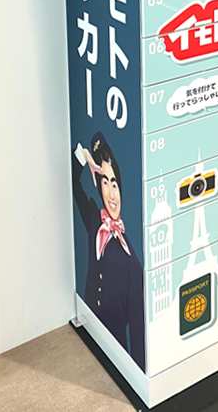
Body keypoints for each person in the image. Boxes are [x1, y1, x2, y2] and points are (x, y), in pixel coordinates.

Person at [71, 131, 145, 370]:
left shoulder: (133, 265)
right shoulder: (94, 220)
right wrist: (84, 157)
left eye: (114, 184)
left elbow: (138, 337)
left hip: (116, 356)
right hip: (89, 336)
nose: (111, 193)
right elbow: (73, 183)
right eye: (105, 183)